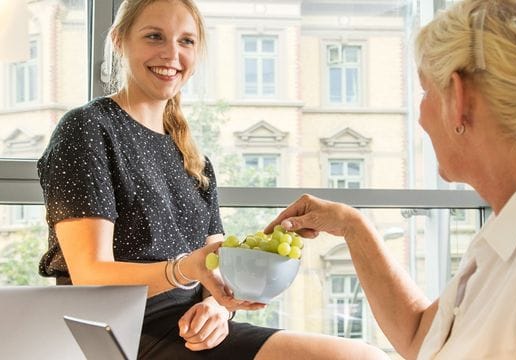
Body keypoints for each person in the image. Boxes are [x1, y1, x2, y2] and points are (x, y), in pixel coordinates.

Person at [265, 0, 516, 359]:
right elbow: (420, 337)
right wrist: (351, 226)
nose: (421, 116)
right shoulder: (512, 230)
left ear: (458, 99)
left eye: (426, 91)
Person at [37, 0, 388, 359]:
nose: (171, 53)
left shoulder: (195, 160)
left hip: (195, 330)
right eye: (154, 36)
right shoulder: (87, 129)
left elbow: (218, 271)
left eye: (186, 41)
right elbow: (90, 274)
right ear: (118, 40)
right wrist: (185, 269)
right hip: (122, 336)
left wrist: (219, 310)